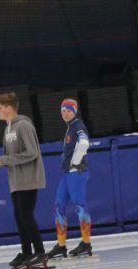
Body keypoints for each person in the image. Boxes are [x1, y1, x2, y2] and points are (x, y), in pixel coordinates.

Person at [0, 92, 47, 269]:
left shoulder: (23, 125)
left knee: (26, 215)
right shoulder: (8, 128)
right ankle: (27, 252)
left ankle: (40, 252)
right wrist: (3, 161)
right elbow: (12, 155)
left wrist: (6, 160)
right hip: (15, 180)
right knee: (19, 216)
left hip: (28, 179)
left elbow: (32, 153)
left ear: (8, 108)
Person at [47, 98, 93, 259]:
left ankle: (86, 243)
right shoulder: (71, 127)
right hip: (69, 173)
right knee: (58, 206)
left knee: (79, 205)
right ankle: (61, 245)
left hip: (77, 172)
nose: (65, 113)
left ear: (74, 111)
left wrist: (75, 162)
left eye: (68, 110)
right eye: (63, 111)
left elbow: (85, 143)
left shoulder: (78, 126)